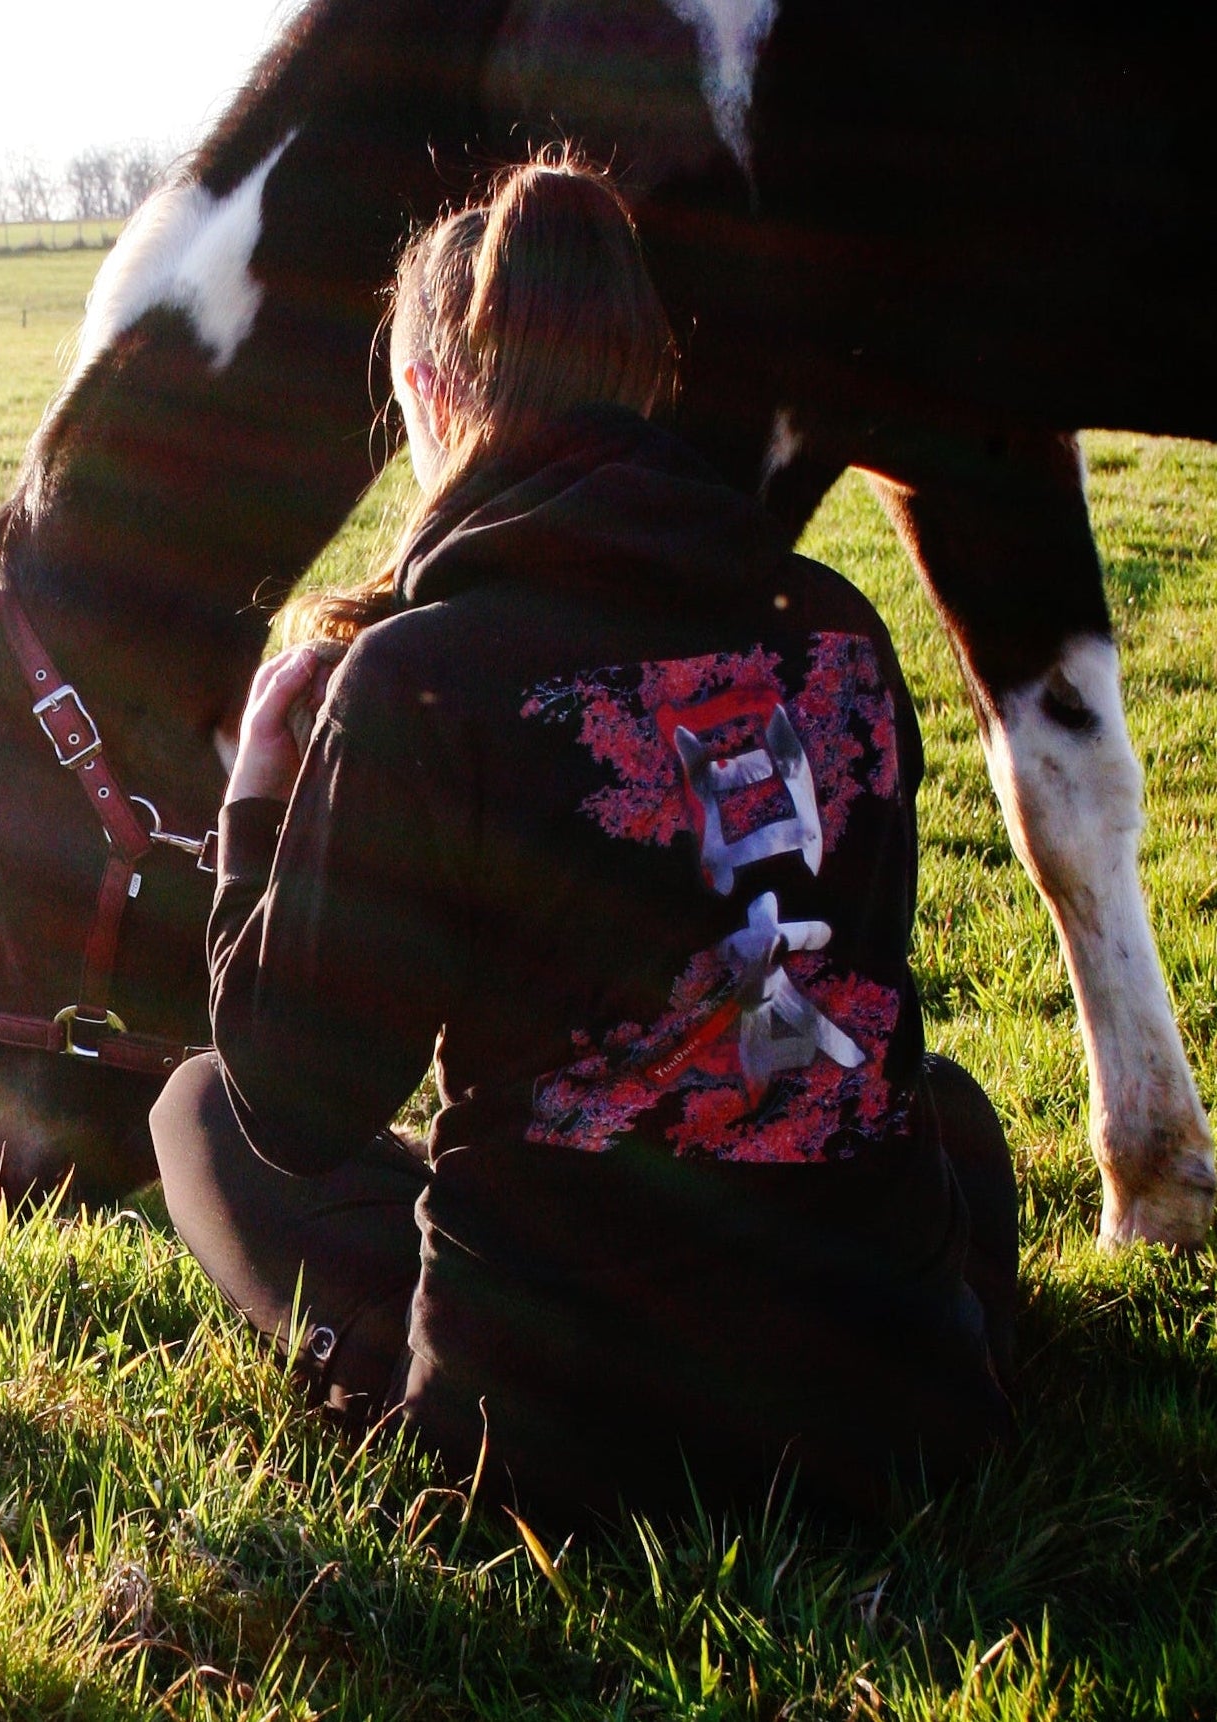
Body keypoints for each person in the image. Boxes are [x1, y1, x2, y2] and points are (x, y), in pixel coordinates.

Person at [151, 153, 1017, 1522]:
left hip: (561, 1439)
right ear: (646, 378)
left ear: (432, 399)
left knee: (198, 1109)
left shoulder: (419, 679)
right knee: (947, 1113)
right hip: (893, 1410)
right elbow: (856, 997)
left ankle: (403, 1382)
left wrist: (259, 805)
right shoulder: (837, 627)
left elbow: (298, 1101)